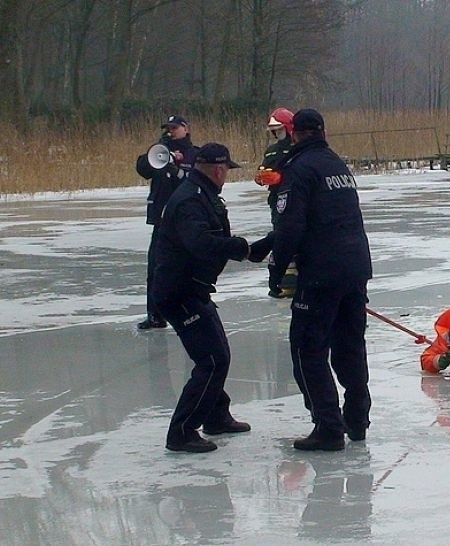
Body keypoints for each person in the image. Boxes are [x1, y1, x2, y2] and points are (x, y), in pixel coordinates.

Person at [267, 108, 373, 451]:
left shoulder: (298, 170)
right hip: (355, 268)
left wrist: (276, 268)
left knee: (307, 348)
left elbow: (290, 226)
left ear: (294, 133)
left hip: (321, 274)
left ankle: (328, 426)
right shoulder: (336, 165)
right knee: (350, 347)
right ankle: (357, 418)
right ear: (323, 132)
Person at [153, 142, 252, 453]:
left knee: (218, 352)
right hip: (178, 292)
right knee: (212, 359)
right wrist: (239, 247)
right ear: (219, 169)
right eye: (227, 171)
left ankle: (215, 414)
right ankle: (182, 431)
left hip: (192, 287)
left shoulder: (200, 193)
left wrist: (243, 249)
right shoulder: (191, 200)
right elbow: (200, 242)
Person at [135, 114, 198, 330]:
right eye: (168, 128)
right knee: (155, 269)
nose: (171, 131)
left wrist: (177, 168)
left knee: (186, 269)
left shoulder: (195, 154)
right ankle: (155, 315)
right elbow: (143, 167)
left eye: (175, 128)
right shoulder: (160, 150)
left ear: (186, 128)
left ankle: (188, 312)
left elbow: (195, 181)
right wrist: (160, 150)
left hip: (185, 221)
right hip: (162, 220)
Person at [251, 107, 298, 298]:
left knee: (292, 238)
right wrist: (262, 178)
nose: (277, 133)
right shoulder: (271, 151)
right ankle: (282, 280)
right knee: (281, 237)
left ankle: (294, 278)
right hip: (276, 200)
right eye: (274, 130)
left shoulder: (298, 148)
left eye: (279, 129)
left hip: (295, 199)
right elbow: (263, 170)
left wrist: (282, 177)